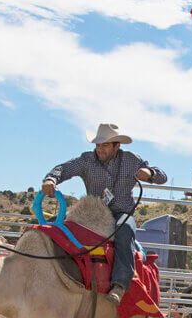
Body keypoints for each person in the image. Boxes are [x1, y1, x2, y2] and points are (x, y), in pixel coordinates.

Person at [42, 123, 167, 305]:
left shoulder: (131, 160)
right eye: (98, 145)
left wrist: (149, 173)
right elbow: (64, 168)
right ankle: (46, 275)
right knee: (53, 225)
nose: (99, 149)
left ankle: (119, 285)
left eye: (105, 145)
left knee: (124, 230)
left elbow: (161, 175)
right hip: (91, 213)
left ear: (117, 146)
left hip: (121, 212)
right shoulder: (86, 160)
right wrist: (51, 179)